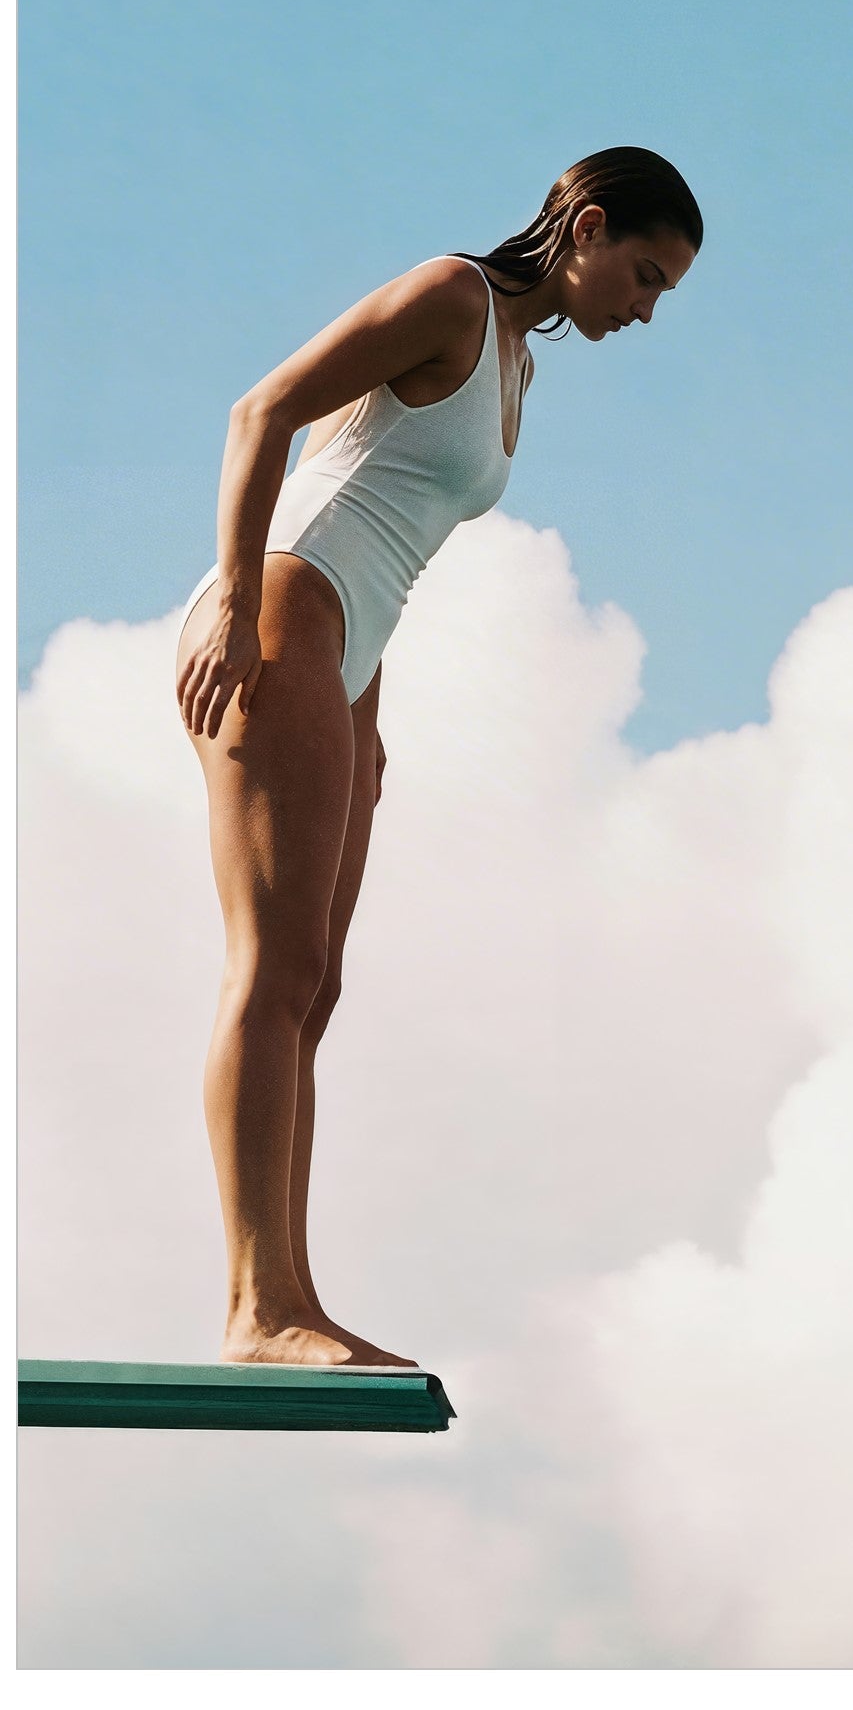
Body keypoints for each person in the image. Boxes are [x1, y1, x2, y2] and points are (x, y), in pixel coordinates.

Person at [173, 147, 702, 1366]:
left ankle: (290, 1294)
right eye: (645, 273)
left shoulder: (514, 362)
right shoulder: (453, 297)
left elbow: (392, 524)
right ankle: (258, 1309)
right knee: (275, 965)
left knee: (316, 984)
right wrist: (246, 605)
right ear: (586, 225)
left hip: (342, 654)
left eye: (663, 290)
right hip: (281, 616)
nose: (645, 307)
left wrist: (365, 712)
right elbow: (267, 415)